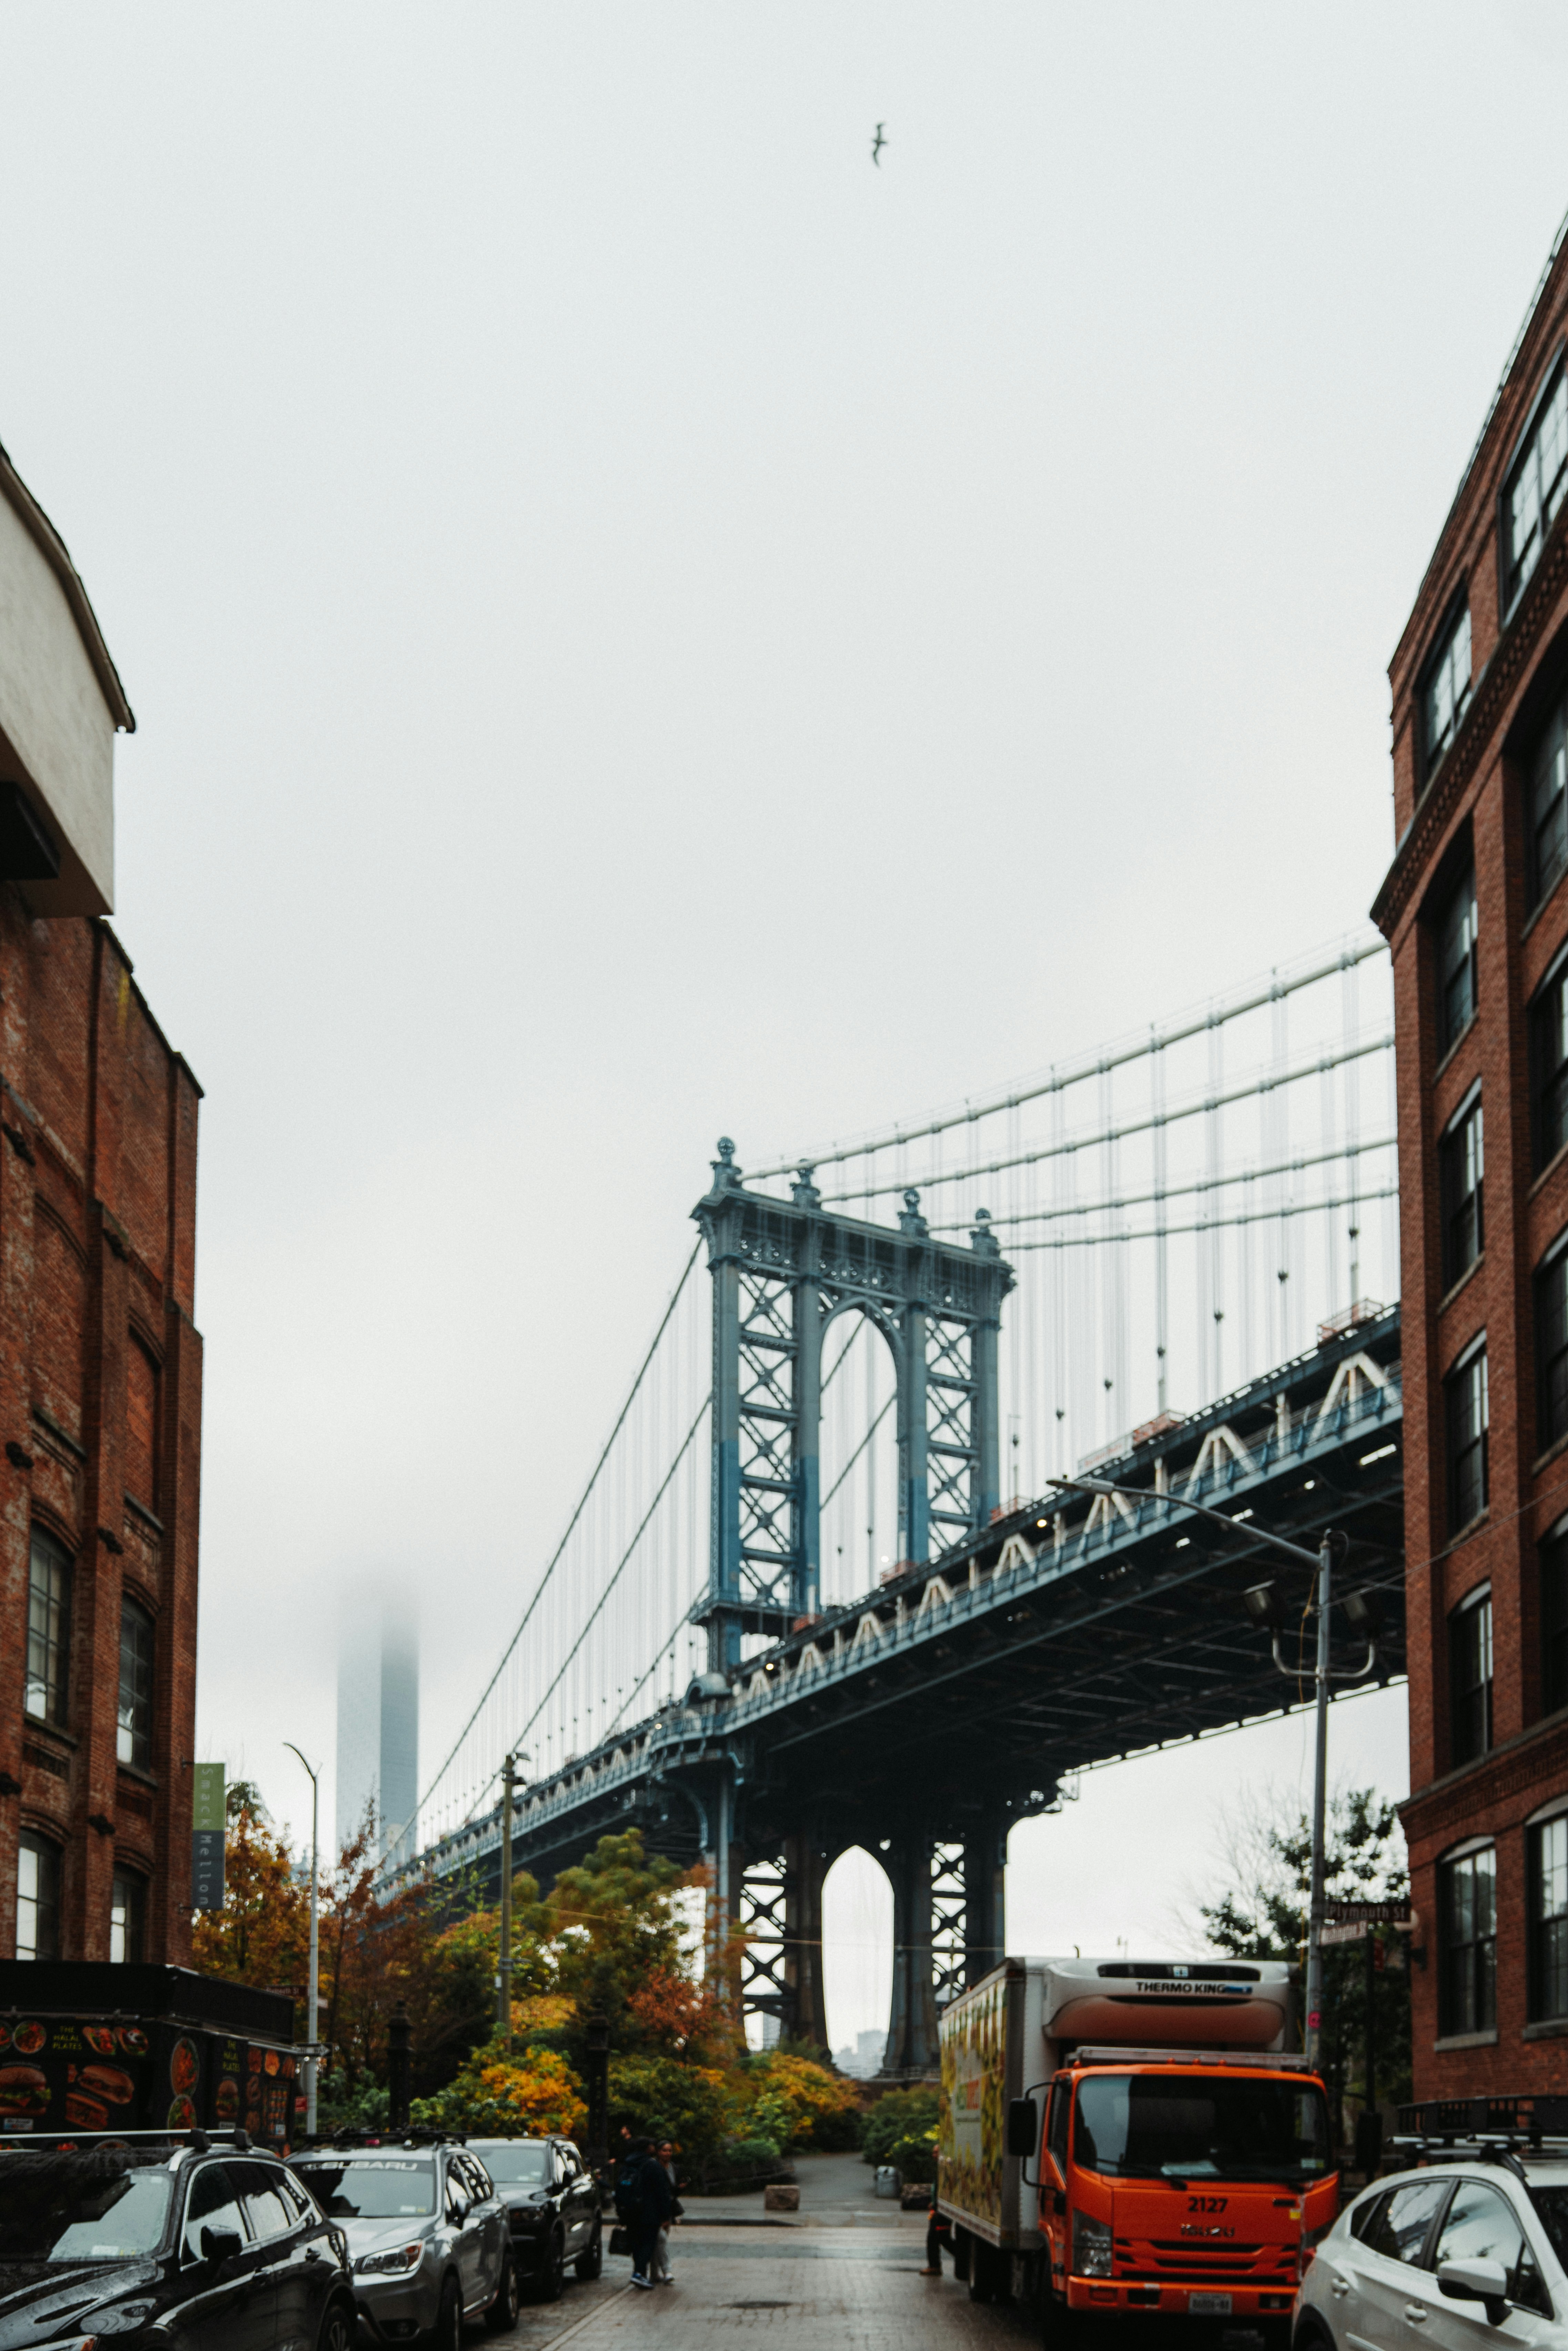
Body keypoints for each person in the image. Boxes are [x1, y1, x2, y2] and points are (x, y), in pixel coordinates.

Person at [628, 2139, 674, 2289]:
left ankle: (642, 2273)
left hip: (631, 2210)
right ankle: (639, 2274)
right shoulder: (653, 2165)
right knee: (648, 2244)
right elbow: (662, 2192)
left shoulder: (629, 2163)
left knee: (637, 2244)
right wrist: (665, 2216)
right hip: (649, 2212)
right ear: (648, 2148)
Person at [652, 2139, 683, 2283]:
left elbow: (673, 2189)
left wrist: (680, 2188)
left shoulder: (673, 2167)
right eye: (664, 2150)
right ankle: (667, 2271)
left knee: (660, 2241)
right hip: (656, 2208)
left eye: (670, 2151)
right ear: (659, 2152)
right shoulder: (654, 2167)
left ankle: (654, 2273)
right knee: (661, 2239)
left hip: (668, 2208)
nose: (667, 2153)